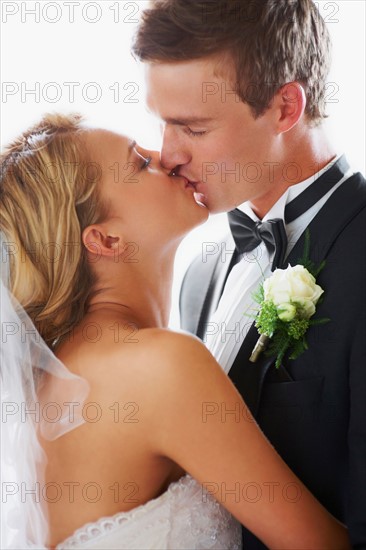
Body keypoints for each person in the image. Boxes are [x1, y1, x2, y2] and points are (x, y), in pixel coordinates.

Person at [0, 114, 351, 550]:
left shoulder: (63, 373)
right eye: (139, 164)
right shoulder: (157, 366)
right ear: (105, 241)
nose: (165, 157)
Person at [132, 0, 366, 548]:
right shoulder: (200, 271)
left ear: (285, 106)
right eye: (161, 123)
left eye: (193, 127)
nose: (167, 155)